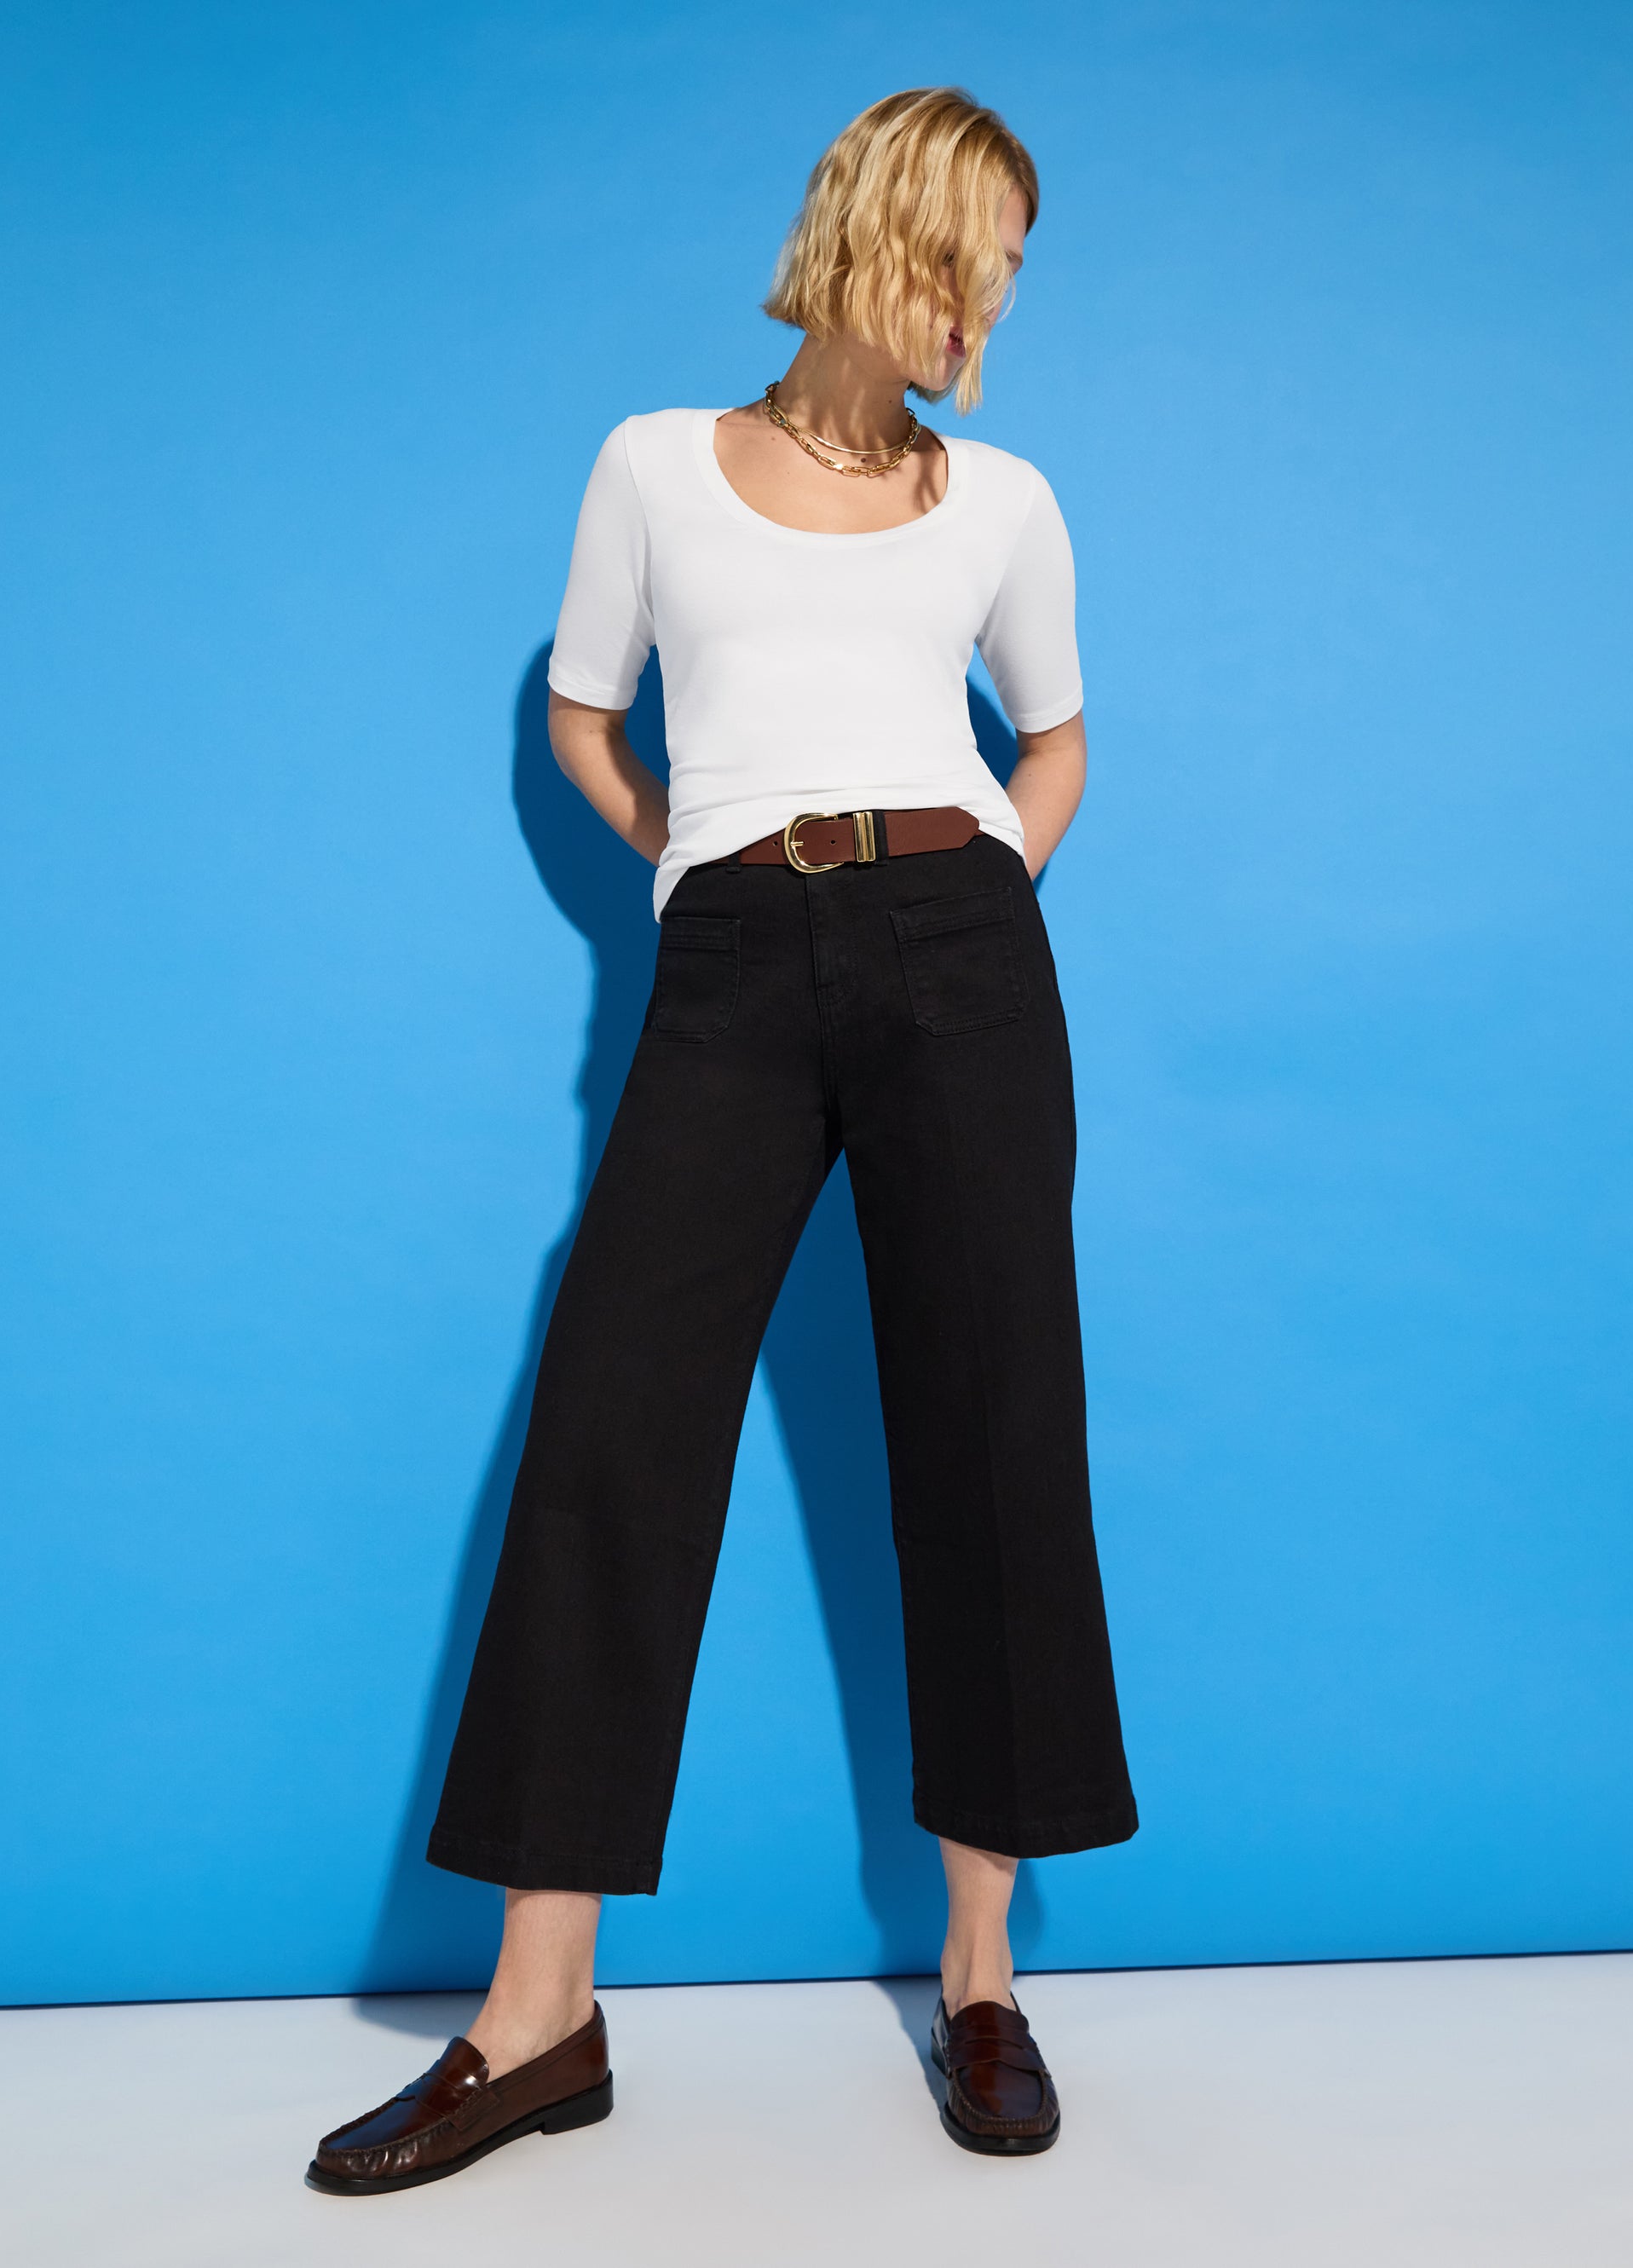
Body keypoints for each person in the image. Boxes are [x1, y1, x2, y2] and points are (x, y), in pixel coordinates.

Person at [308, 84, 1137, 2195]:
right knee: (614, 1419)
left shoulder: (1006, 501)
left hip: (961, 945)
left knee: (993, 1427)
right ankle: (538, 2016)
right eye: (975, 262)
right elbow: (584, 714)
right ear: (884, 231)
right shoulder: (656, 465)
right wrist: (701, 862)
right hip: (737, 954)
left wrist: (985, 885)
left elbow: (1053, 738)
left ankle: (981, 1978)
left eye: (1010, 281)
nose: (990, 312)